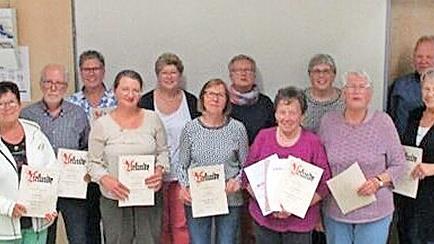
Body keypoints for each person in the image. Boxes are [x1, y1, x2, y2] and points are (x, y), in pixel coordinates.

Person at [318, 71, 406, 244]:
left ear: (370, 94)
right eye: (350, 87)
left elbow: (399, 165)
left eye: (362, 87)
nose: (356, 91)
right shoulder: (328, 122)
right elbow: (318, 165)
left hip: (375, 213)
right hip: (336, 213)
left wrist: (378, 181)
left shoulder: (383, 122)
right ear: (343, 93)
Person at [88, 70, 169, 243]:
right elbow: (93, 162)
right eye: (125, 89)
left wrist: (160, 171)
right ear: (115, 91)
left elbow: (163, 151)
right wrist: (105, 179)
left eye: (135, 90)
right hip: (114, 197)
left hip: (148, 196)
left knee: (149, 240)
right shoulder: (102, 124)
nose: (130, 95)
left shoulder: (152, 119)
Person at [242, 86, 331, 244]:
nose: (287, 118)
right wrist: (268, 204)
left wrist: (295, 206)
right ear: (275, 114)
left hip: (300, 225)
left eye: (293, 112)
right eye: (282, 112)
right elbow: (247, 177)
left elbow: (324, 185)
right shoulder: (263, 137)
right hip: (265, 222)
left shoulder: (313, 143)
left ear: (302, 115)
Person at [20, 64, 90, 244]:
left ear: (66, 87)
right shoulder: (27, 115)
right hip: (41, 189)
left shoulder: (78, 114)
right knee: (45, 239)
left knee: (79, 237)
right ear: (40, 84)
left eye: (59, 83)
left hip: (72, 189)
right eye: (48, 82)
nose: (53, 87)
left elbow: (86, 147)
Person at [177, 79, 249, 244]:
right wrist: (185, 186)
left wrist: (237, 181)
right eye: (210, 94)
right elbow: (182, 164)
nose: (215, 99)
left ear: (227, 100)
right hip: (198, 197)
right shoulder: (190, 128)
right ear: (202, 98)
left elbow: (246, 164)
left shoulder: (237, 129)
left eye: (220, 95)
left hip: (230, 198)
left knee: (227, 241)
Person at [138, 53, 199, 244]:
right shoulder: (145, 102)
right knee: (159, 224)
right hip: (154, 174)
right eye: (165, 72)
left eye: (173, 72)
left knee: (182, 224)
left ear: (180, 75)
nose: (170, 77)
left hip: (183, 175)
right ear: (157, 75)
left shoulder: (192, 101)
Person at [68, 50, 117, 244]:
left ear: (103, 71)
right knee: (88, 226)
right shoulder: (71, 102)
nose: (91, 73)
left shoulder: (117, 100)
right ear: (80, 72)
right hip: (83, 173)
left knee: (113, 224)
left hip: (111, 170)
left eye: (95, 68)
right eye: (86, 69)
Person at [0, 81, 57, 243]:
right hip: (4, 229)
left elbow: (52, 171)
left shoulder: (35, 133)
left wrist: (49, 204)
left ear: (19, 104)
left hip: (36, 224)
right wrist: (8, 207)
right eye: (1, 104)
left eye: (11, 102)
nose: (7, 107)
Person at [227, 54, 275, 243]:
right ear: (231, 75)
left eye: (248, 70)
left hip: (260, 171)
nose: (244, 74)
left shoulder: (265, 103)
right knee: (235, 225)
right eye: (239, 70)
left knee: (258, 225)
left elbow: (273, 135)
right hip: (230, 170)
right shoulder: (223, 101)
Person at [396, 68, 434, 244]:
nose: (430, 94)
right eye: (426, 89)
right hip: (409, 197)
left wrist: (432, 168)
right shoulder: (414, 114)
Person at [388, 35, 434, 136]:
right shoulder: (400, 85)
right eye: (419, 56)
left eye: (429, 57)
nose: (423, 61)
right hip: (403, 145)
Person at [303, 54, 344, 133]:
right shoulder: (299, 100)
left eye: (326, 71)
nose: (321, 75)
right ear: (309, 74)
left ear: (334, 74)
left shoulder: (345, 100)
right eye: (316, 71)